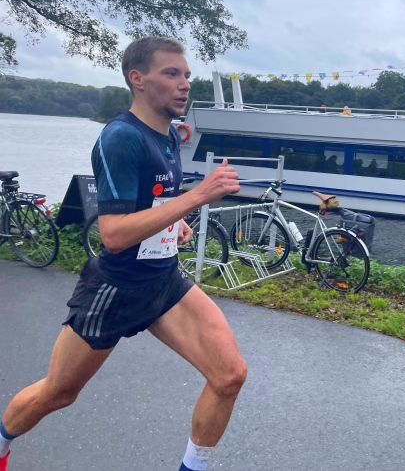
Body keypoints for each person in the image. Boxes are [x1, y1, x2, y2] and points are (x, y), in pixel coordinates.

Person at [0, 37, 246, 471]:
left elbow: (149, 204)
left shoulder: (167, 136)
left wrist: (174, 220)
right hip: (116, 288)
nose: (184, 84)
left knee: (229, 376)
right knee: (58, 393)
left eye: (186, 75)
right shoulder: (120, 138)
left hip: (163, 281)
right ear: (138, 79)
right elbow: (113, 235)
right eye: (171, 73)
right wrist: (196, 197)